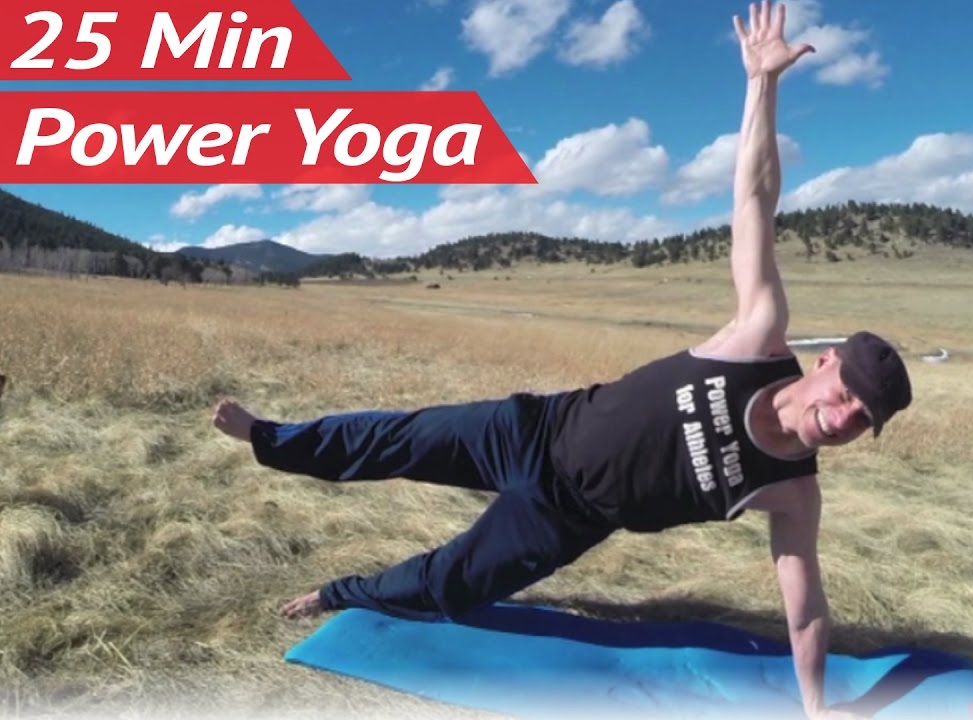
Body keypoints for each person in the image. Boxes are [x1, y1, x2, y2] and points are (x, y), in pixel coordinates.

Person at [212, 3, 911, 717]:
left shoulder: (792, 492)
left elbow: (805, 607)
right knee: (395, 437)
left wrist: (816, 706)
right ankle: (269, 437)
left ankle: (339, 593)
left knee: (448, 588)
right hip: (533, 428)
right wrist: (762, 84)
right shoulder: (757, 339)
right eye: (848, 392)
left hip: (562, 520)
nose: (845, 417)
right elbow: (755, 200)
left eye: (865, 418)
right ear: (825, 362)